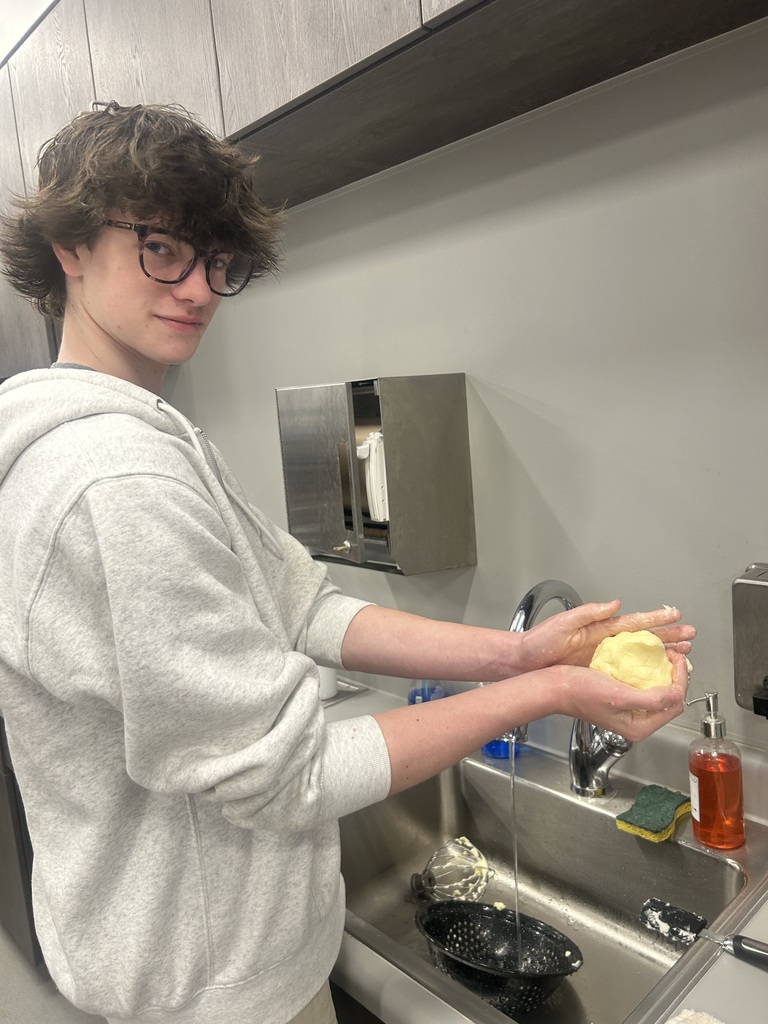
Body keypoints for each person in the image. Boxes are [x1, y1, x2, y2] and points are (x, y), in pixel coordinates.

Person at [0, 102, 693, 1024]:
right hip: (205, 997)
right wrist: (549, 696)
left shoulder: (154, 445)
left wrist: (517, 655)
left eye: (220, 260)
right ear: (69, 247)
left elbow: (305, 608)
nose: (199, 288)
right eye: (163, 248)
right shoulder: (115, 480)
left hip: (215, 969)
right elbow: (290, 777)